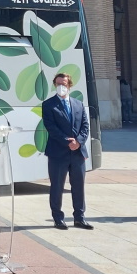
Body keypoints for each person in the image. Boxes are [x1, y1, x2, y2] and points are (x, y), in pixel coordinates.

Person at [41, 73, 93, 230]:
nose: (60, 87)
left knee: (78, 186)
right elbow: (51, 127)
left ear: (69, 85)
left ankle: (79, 217)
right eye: (57, 84)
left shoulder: (78, 104)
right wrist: (67, 141)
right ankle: (58, 218)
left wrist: (79, 141)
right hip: (58, 152)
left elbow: (85, 126)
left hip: (77, 152)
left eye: (63, 84)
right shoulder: (49, 104)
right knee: (57, 186)